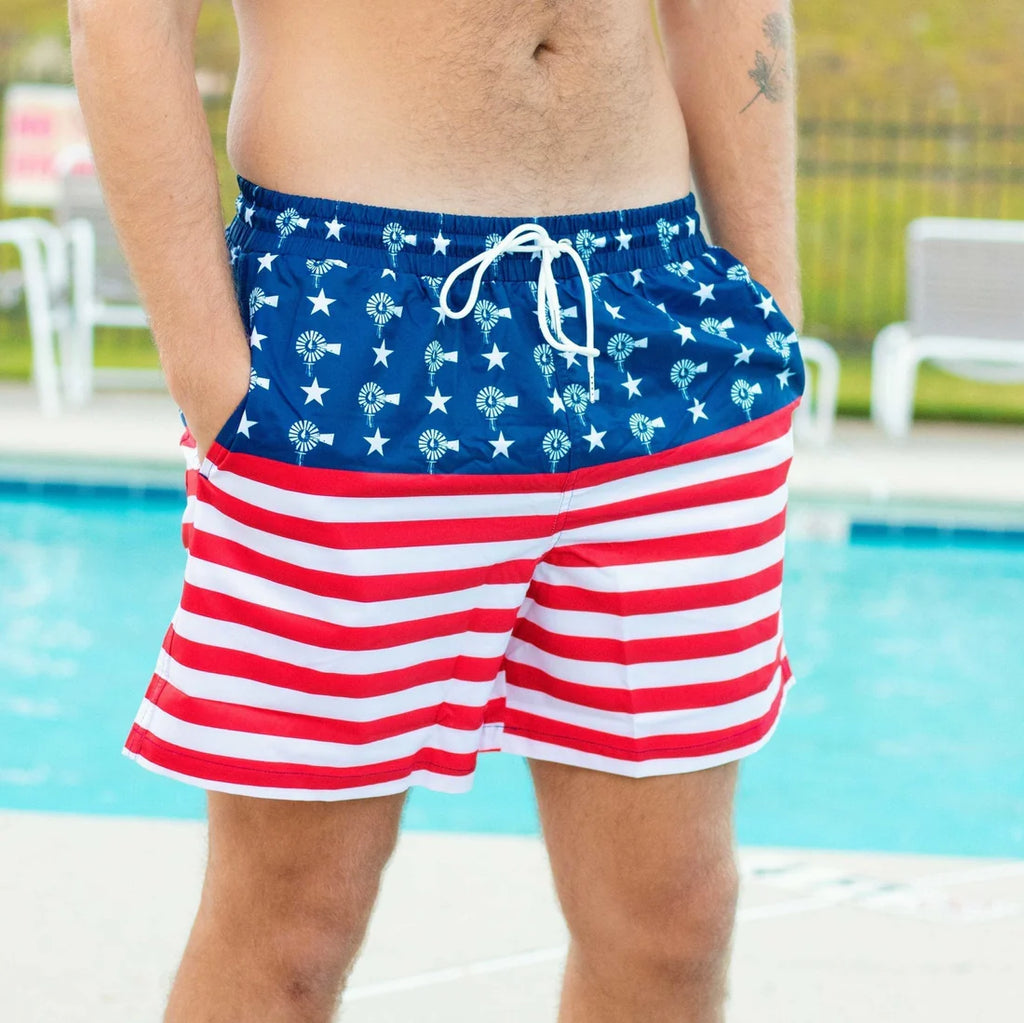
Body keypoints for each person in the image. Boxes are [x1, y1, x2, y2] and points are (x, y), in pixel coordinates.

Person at [69, 1, 804, 1020]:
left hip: (659, 315)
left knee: (675, 919)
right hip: (355, 313)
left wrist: (770, 304)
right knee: (293, 926)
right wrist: (212, 378)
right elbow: (123, 20)